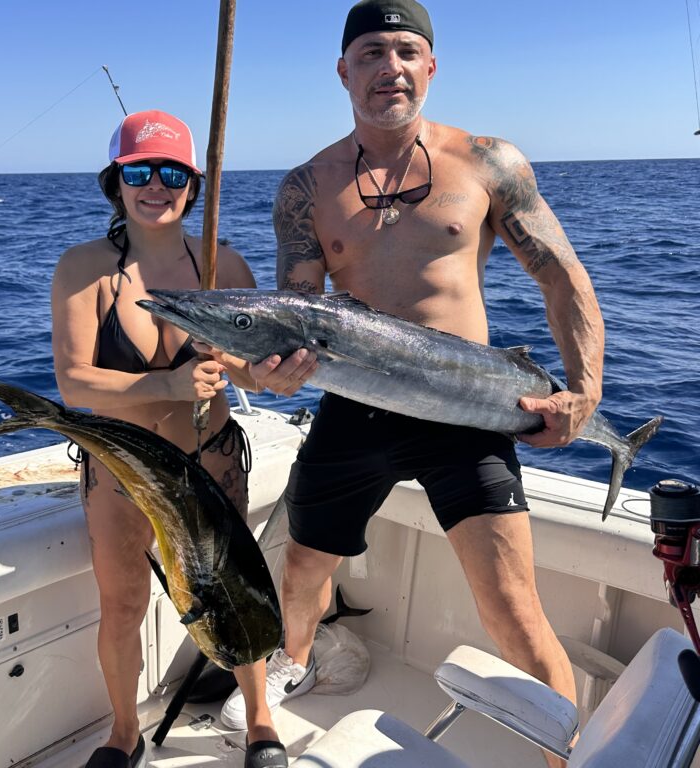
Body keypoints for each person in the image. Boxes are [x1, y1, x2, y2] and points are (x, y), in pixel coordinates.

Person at [220, 3, 604, 767]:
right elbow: (298, 311)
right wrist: (271, 371)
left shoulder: (489, 162)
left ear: (431, 66)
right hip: (355, 406)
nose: (389, 67)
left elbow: (562, 278)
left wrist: (584, 392)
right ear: (343, 71)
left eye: (405, 50)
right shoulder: (306, 187)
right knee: (301, 570)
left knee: (514, 611)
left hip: (463, 409)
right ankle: (297, 661)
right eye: (371, 52)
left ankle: (567, 758)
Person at [52, 109, 315, 768]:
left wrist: (269, 375)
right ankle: (124, 732)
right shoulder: (83, 268)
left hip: (211, 459)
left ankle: (260, 721)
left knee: (236, 596)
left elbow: (251, 369)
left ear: (194, 185)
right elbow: (74, 383)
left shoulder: (226, 265)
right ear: (116, 181)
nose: (155, 186)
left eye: (173, 174)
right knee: (122, 605)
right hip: (121, 467)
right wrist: (169, 384)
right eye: (139, 171)